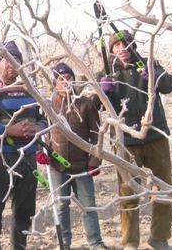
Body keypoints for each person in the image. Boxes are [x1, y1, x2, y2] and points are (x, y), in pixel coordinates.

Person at [99, 30, 172, 250]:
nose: (121, 49)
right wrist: (101, 91)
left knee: (163, 188)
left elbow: (170, 86)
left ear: (133, 45)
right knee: (127, 192)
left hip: (155, 136)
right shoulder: (107, 72)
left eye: (125, 44)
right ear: (112, 50)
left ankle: (159, 238)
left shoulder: (149, 63)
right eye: (116, 46)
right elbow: (95, 105)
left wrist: (155, 75)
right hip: (125, 141)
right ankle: (130, 242)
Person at [0, 41, 47, 250]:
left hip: (27, 158)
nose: (11, 65)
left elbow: (47, 119)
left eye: (16, 60)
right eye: (7, 60)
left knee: (24, 213)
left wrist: (36, 128)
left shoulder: (31, 91)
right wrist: (7, 131)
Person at [45, 62, 108, 249]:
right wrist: (44, 154)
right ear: (54, 83)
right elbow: (43, 132)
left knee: (88, 205)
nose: (65, 82)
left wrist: (95, 160)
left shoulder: (85, 104)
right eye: (60, 79)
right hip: (57, 166)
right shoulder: (49, 105)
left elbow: (97, 135)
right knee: (62, 206)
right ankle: (64, 244)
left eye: (69, 77)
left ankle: (95, 243)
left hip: (82, 166)